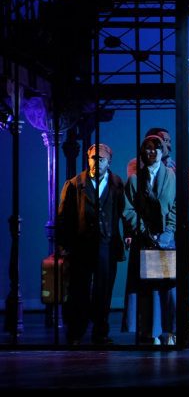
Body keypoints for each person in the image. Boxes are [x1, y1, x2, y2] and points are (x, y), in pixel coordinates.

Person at [56, 143, 126, 345]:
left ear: (109, 161)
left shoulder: (116, 183)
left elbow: (122, 211)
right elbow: (63, 216)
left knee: (103, 290)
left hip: (107, 244)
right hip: (81, 246)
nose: (96, 163)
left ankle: (100, 331)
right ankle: (76, 332)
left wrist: (127, 235)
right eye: (93, 158)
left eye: (101, 159)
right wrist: (64, 245)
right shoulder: (75, 184)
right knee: (79, 289)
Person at [121, 134, 177, 345]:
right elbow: (128, 209)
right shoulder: (135, 179)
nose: (152, 152)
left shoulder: (171, 176)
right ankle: (151, 332)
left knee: (168, 288)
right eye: (148, 148)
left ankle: (170, 331)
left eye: (156, 148)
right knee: (147, 288)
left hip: (166, 240)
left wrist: (168, 232)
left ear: (163, 152)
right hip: (143, 240)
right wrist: (144, 231)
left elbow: (176, 206)